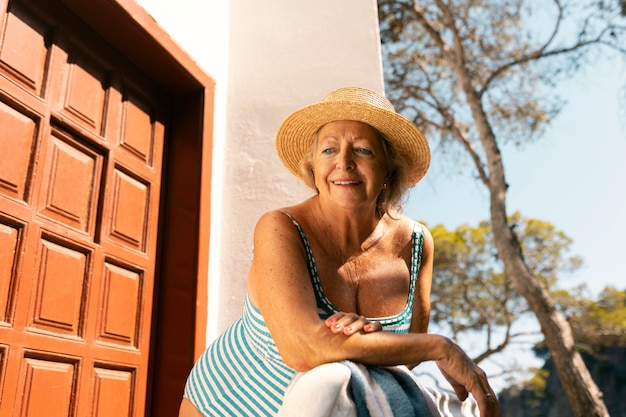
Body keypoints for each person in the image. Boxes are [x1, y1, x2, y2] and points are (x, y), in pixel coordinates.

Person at [179, 87, 501, 417]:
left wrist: (361, 338)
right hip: (230, 403)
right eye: (329, 149)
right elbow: (303, 348)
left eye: (363, 150)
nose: (343, 163)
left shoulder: (416, 243)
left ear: (389, 169)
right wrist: (440, 347)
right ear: (314, 168)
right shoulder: (281, 227)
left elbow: (406, 356)